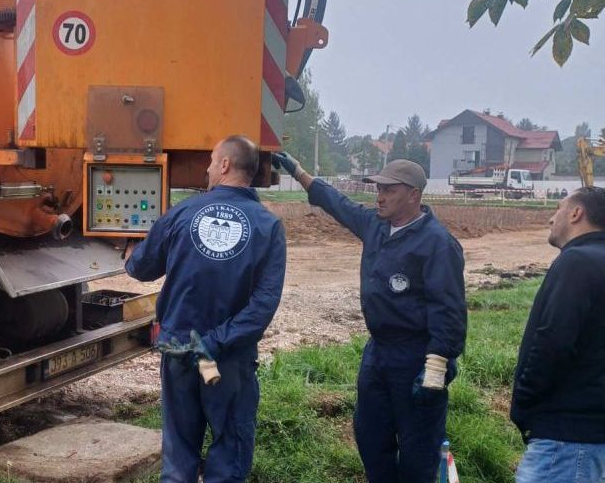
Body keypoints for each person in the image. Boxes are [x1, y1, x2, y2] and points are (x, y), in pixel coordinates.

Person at [273, 153, 466, 483]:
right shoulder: (376, 225)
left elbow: (449, 311)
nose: (380, 196)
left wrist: (435, 371)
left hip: (416, 358)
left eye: (390, 190)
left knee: (418, 445)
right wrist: (300, 172)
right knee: (371, 435)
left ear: (414, 195)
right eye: (379, 188)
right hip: (378, 353)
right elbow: (338, 203)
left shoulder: (437, 244)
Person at [125, 135, 286, 482]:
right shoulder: (267, 226)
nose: (208, 168)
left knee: (179, 452)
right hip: (228, 359)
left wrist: (131, 251)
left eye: (212, 161)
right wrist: (214, 342)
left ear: (226, 165)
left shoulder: (182, 212)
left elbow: (139, 268)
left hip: (179, 350)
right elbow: (263, 306)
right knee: (229, 452)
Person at [511, 186, 605, 482]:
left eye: (559, 208)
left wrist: (524, 401)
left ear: (577, 213)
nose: (552, 219)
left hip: (566, 438)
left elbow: (553, 341)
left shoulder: (577, 262)